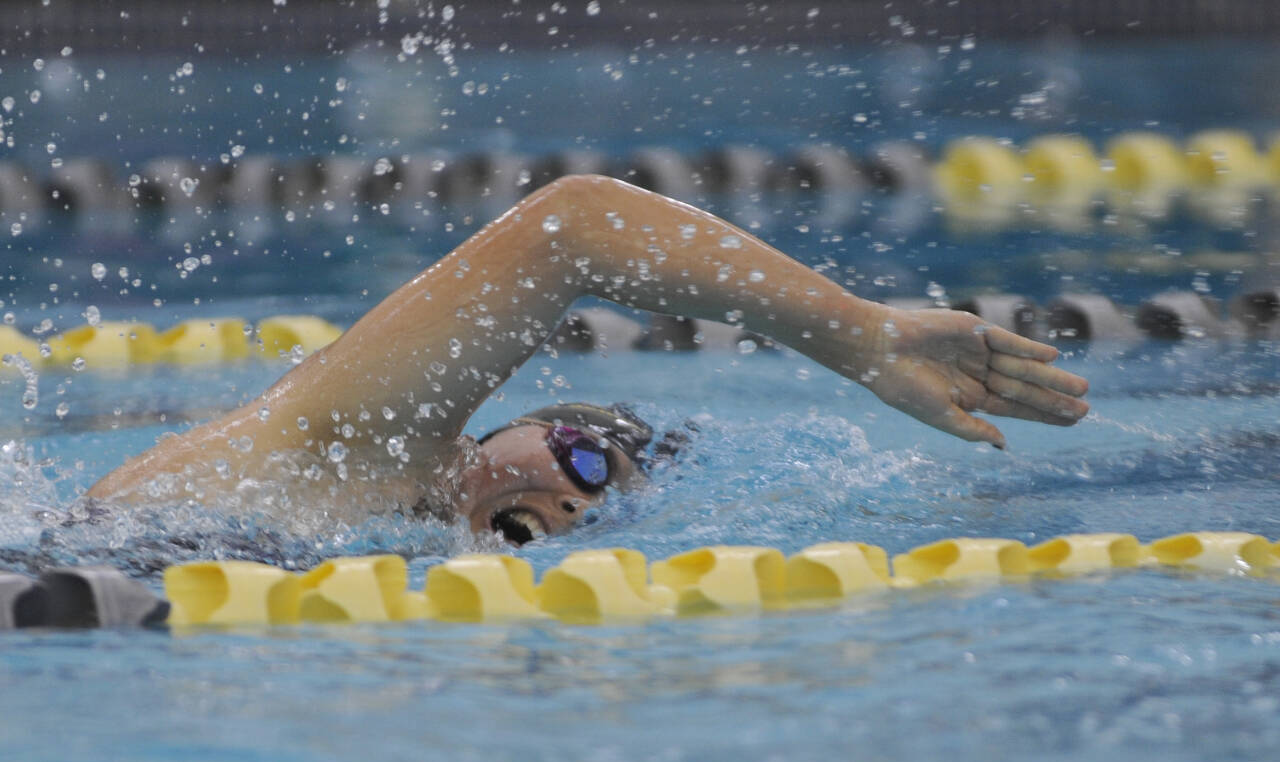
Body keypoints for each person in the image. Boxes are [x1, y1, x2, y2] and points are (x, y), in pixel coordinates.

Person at [88, 175, 1090, 544]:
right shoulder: (375, 441)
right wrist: (852, 333)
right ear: (504, 424)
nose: (574, 499)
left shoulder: (391, 533)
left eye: (595, 503)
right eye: (578, 457)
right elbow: (574, 226)